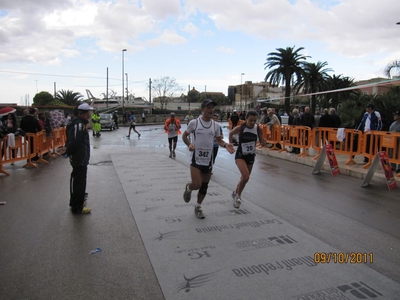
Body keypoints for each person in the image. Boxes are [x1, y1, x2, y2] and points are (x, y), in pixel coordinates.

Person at [182, 99, 235, 219]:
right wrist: (189, 144)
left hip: (208, 160)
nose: (211, 110)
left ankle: (198, 207)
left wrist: (226, 145)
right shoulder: (194, 123)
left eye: (212, 108)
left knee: (204, 186)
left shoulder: (215, 125)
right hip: (196, 159)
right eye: (208, 107)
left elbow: (218, 140)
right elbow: (184, 136)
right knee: (197, 184)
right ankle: (189, 187)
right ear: (202, 109)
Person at [229, 111, 265, 208]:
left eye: (254, 120)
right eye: (250, 120)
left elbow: (261, 141)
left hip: (251, 156)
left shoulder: (258, 128)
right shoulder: (241, 128)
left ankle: (235, 192)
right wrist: (230, 144)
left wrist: (263, 142)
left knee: (244, 178)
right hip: (240, 155)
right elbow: (231, 133)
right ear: (246, 119)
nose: (252, 123)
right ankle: (238, 196)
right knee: (245, 177)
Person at [64, 103, 93, 214]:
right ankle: (77, 206)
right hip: (79, 158)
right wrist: (68, 152)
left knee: (78, 180)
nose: (91, 113)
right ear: (85, 113)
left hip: (80, 157)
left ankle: (77, 201)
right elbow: (74, 141)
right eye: (89, 111)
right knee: (79, 182)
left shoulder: (78, 124)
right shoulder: (79, 125)